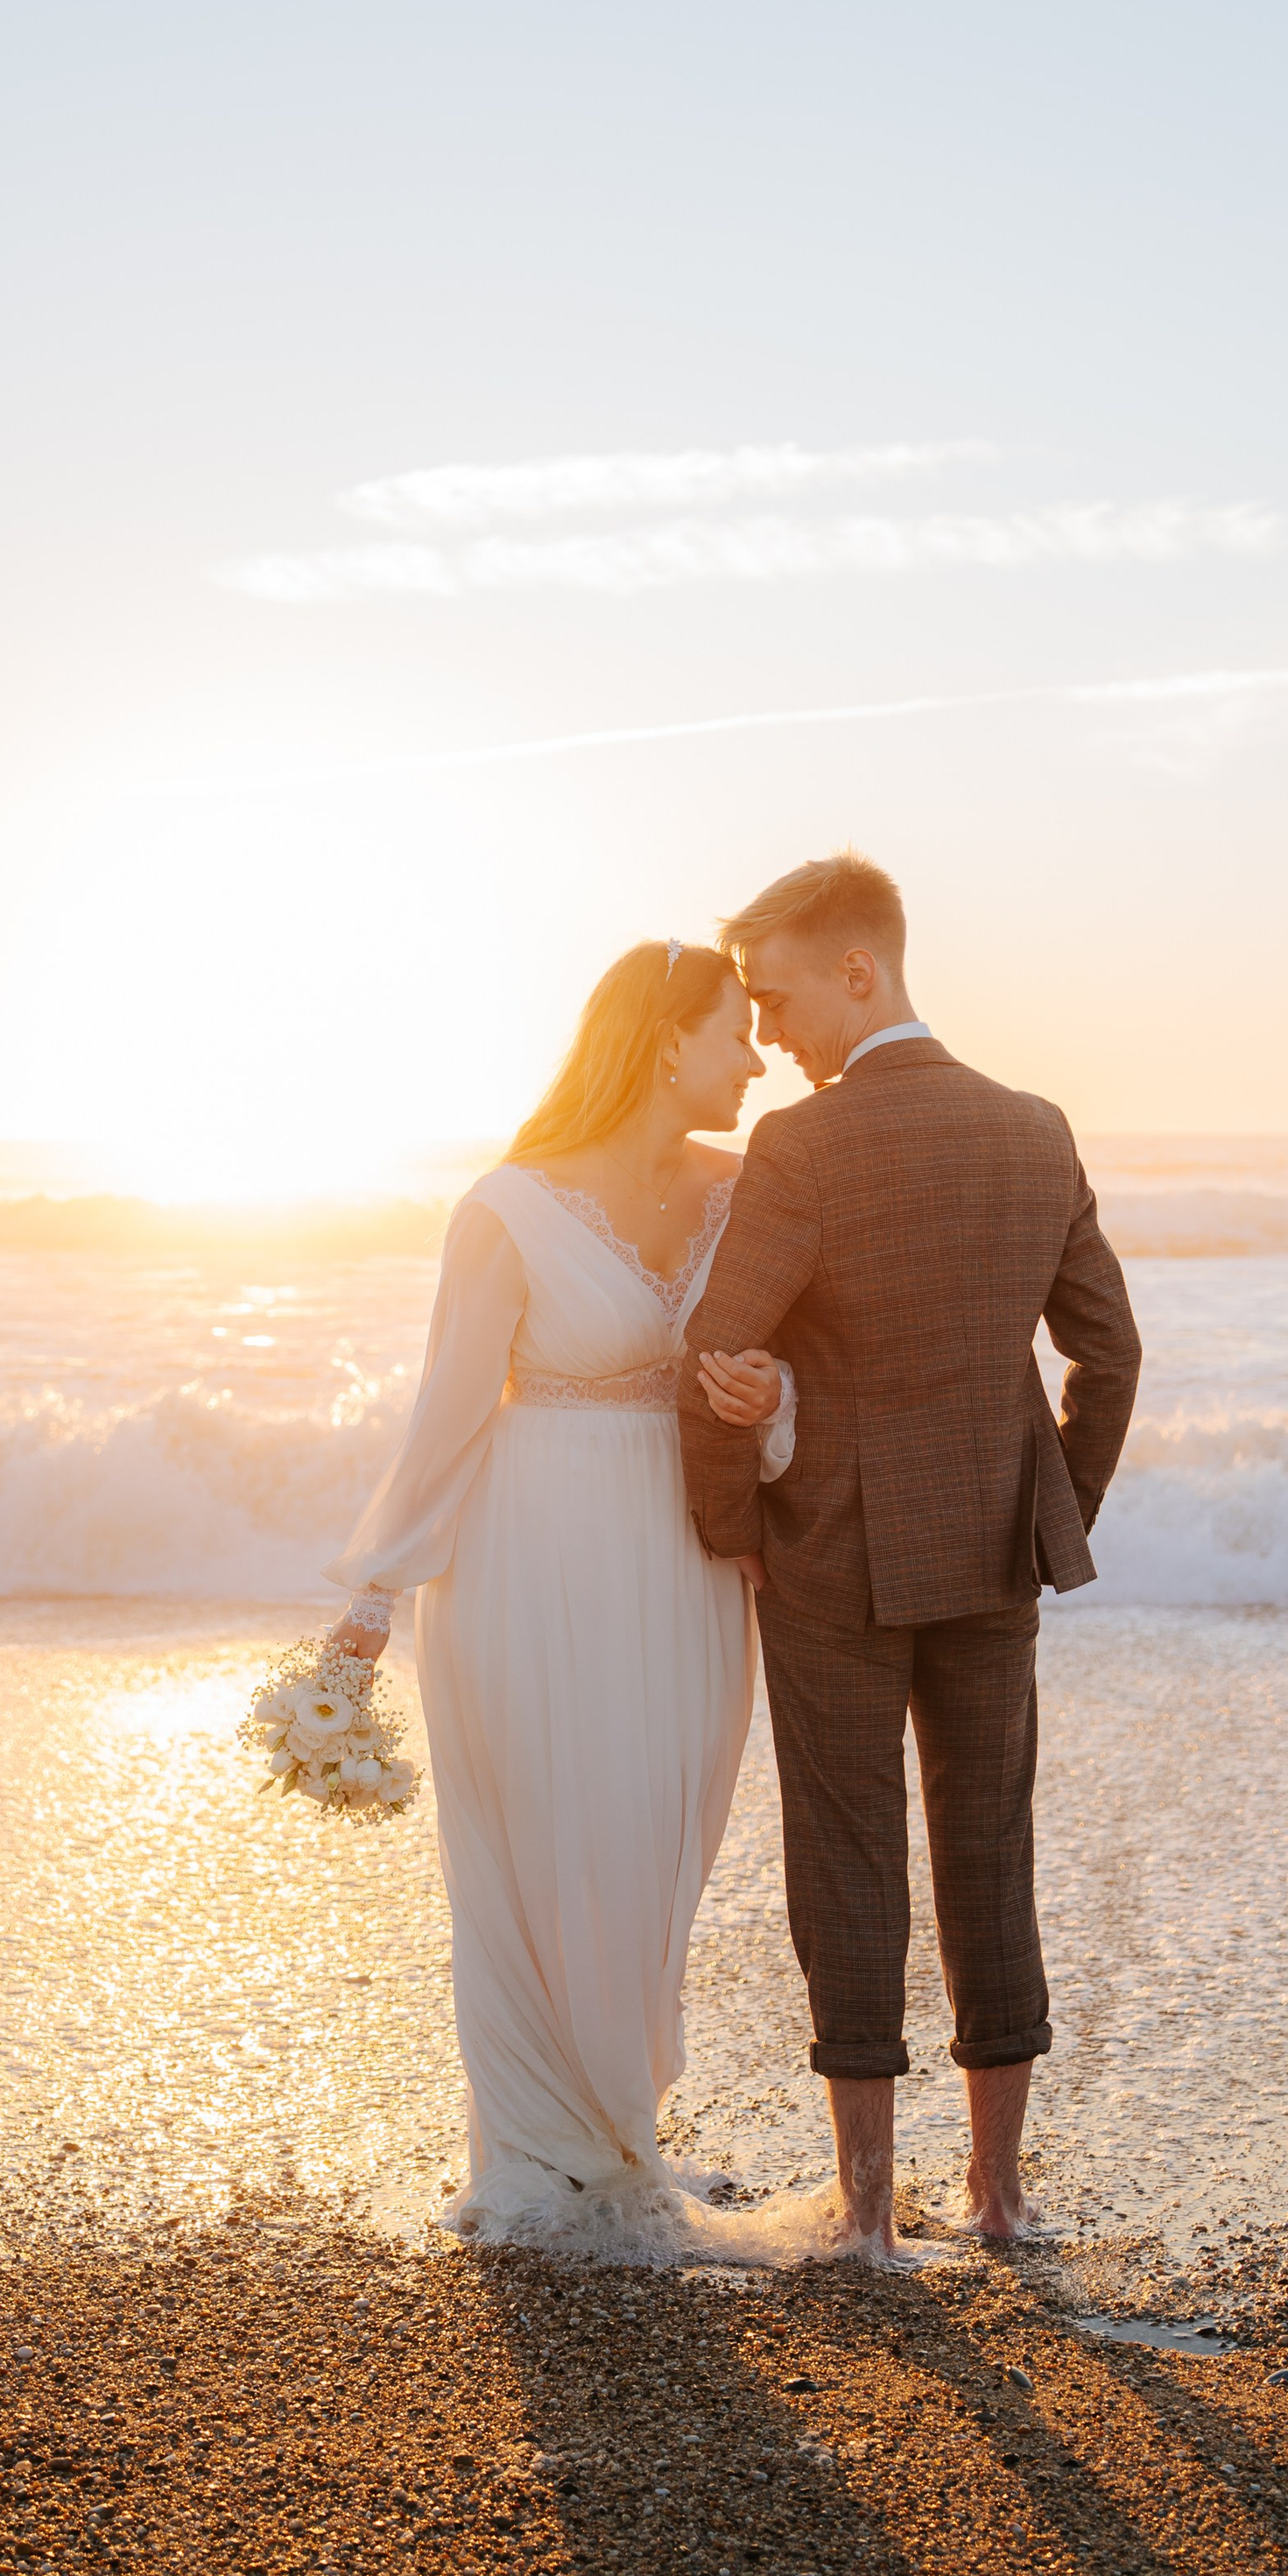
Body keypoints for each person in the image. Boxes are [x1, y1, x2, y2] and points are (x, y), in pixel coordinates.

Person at [679, 850, 1142, 2252]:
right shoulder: (1034, 1127)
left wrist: (731, 1530)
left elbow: (718, 1345)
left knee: (849, 1857)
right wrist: (1050, 1503)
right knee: (990, 1846)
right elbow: (1109, 1353)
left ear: (857, 969)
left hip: (833, 1558)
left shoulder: (805, 1150)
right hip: (998, 1553)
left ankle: (870, 2212)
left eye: (775, 997)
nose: (766, 1034)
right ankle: (1000, 2198)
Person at [321, 940, 791, 2253]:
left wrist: (777, 1412)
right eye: (733, 1030)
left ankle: (622, 2120)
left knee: (657, 1833)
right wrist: (366, 1609)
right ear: (663, 1040)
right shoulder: (509, 1208)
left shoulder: (745, 1189)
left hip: (687, 1554)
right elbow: (448, 1419)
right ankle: (542, 2148)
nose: (754, 1056)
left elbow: (794, 1361)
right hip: (528, 1555)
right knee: (542, 1842)